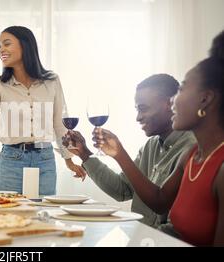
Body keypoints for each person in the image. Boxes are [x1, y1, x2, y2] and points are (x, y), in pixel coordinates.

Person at [88, 30, 224, 246]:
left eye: (182, 88)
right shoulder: (190, 157)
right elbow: (158, 202)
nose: (173, 102)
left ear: (205, 99)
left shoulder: (214, 163)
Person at [0, 26, 86, 195]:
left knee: (42, 214)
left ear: (25, 46)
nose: (1, 50)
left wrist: (68, 160)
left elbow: (60, 123)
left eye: (6, 44)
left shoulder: (51, 81)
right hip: (11, 160)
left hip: (45, 160)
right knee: (5, 214)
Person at [63, 74, 196, 228]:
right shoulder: (150, 146)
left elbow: (166, 211)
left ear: (169, 104)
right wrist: (85, 154)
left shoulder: (193, 149)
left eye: (143, 109)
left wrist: (121, 155)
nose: (138, 118)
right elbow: (122, 190)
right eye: (137, 109)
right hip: (140, 236)